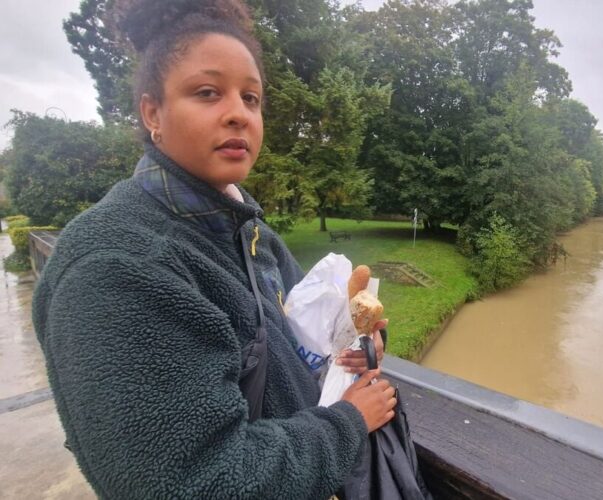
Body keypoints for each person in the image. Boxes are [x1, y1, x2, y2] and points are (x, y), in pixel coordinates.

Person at [32, 0, 396, 498]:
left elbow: (303, 343)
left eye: (251, 98)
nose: (237, 115)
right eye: (207, 93)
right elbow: (191, 481)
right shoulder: (115, 265)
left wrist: (353, 347)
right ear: (152, 112)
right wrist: (349, 422)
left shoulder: (251, 234)